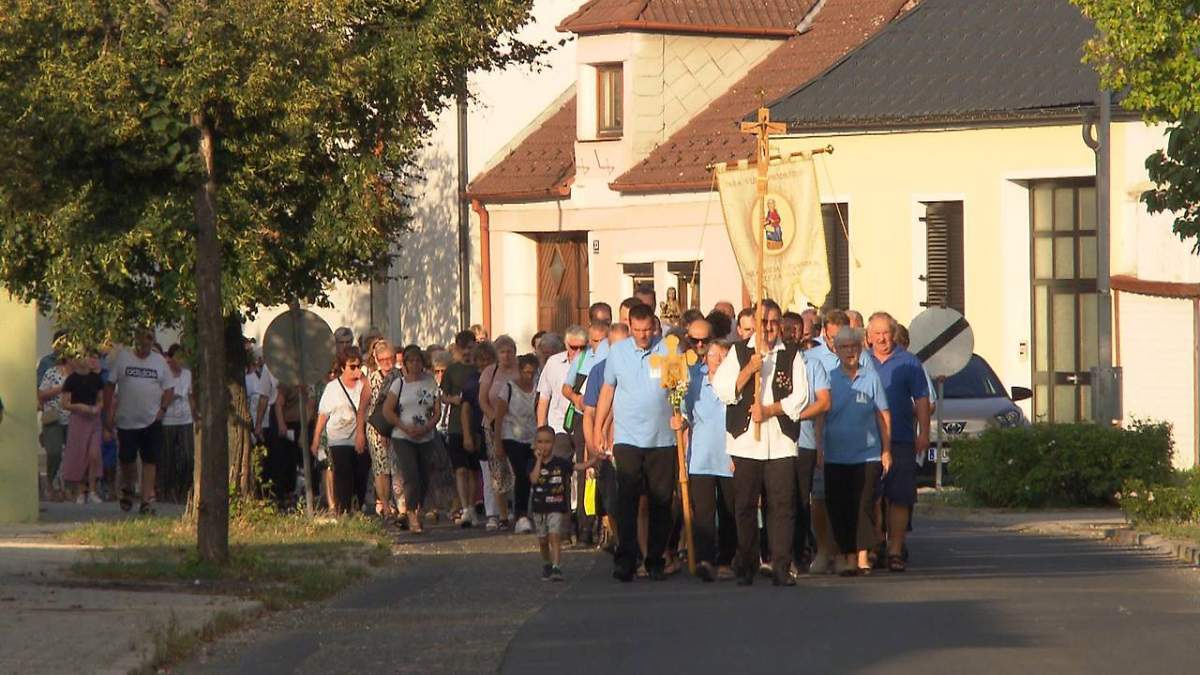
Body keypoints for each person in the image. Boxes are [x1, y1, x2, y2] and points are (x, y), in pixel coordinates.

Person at [714, 299, 810, 587]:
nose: (768, 328)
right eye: (763, 322)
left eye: (773, 322)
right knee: (744, 504)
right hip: (746, 442)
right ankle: (746, 562)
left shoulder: (791, 354)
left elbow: (801, 397)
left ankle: (780, 565)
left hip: (780, 441)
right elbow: (723, 390)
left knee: (782, 505)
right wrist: (748, 370)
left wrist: (770, 410)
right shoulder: (738, 352)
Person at [595, 304, 677, 582]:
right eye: (637, 330)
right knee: (627, 500)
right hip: (628, 437)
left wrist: (682, 419)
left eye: (647, 330)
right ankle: (626, 560)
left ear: (654, 327)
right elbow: (608, 389)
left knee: (661, 501)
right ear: (629, 327)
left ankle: (655, 559)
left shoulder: (668, 349)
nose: (643, 335)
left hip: (662, 438)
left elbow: (679, 389)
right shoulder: (618, 352)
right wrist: (600, 427)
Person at [818, 327, 891, 576]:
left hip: (867, 455)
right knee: (840, 506)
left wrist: (886, 450)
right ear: (835, 350)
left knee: (863, 505)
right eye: (844, 347)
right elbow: (821, 417)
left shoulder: (871, 378)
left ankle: (861, 556)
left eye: (854, 346)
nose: (850, 351)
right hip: (836, 455)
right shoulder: (828, 378)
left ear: (860, 349)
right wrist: (819, 448)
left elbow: (883, 416)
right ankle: (846, 556)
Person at [866, 312, 931, 572]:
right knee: (872, 497)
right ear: (869, 336)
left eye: (886, 333)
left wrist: (924, 433)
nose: (882, 338)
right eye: (877, 333)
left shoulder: (909, 362)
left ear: (893, 334)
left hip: (901, 438)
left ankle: (895, 550)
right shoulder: (861, 361)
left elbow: (922, 399)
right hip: (867, 441)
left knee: (900, 497)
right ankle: (874, 547)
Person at [678, 336, 736, 582]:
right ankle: (705, 559)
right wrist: (679, 420)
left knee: (728, 511)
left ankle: (726, 560)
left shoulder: (736, 380)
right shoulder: (695, 380)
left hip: (729, 456)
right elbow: (684, 412)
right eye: (713, 355)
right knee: (703, 512)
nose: (718, 360)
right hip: (701, 457)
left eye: (723, 356)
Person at [105, 331, 175, 514]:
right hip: (126, 419)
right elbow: (110, 386)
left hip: (151, 419)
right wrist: (108, 412)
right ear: (135, 339)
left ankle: (145, 502)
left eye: (149, 339)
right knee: (126, 458)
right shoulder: (123, 357)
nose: (144, 343)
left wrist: (163, 409)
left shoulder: (159, 361)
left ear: (152, 341)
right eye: (141, 338)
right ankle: (128, 486)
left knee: (149, 460)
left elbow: (169, 389)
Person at [582, 322, 630, 553]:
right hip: (606, 448)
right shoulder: (598, 371)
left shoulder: (637, 368)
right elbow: (589, 412)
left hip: (631, 442)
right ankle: (618, 539)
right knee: (611, 498)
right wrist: (592, 446)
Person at [383, 345, 443, 533]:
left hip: (425, 435)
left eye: (418, 361)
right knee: (411, 475)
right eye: (411, 361)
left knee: (424, 476)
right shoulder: (399, 384)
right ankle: (410, 514)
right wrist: (404, 427)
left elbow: (437, 411)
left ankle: (417, 508)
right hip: (403, 436)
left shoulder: (430, 382)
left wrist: (426, 427)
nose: (415, 364)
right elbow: (387, 410)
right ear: (405, 364)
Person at [537, 326, 589, 540]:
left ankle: (585, 527)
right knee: (559, 476)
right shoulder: (553, 363)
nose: (577, 352)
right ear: (566, 345)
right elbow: (544, 398)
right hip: (559, 425)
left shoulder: (592, 361)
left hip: (584, 423)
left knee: (585, 474)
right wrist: (541, 431)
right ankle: (563, 528)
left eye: (582, 347)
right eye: (573, 347)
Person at [530, 426, 597, 582]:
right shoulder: (532, 462)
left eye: (547, 442)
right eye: (540, 442)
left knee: (555, 535)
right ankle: (547, 563)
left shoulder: (560, 462)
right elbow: (533, 479)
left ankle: (556, 566)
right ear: (535, 443)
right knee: (543, 540)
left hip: (556, 506)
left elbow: (577, 467)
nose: (544, 446)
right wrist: (538, 460)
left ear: (553, 443)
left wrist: (593, 460)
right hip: (539, 507)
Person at [313, 346, 368, 515]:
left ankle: (357, 505)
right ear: (343, 367)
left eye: (359, 366)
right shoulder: (333, 388)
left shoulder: (363, 385)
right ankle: (343, 509)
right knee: (343, 473)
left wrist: (363, 379)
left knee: (361, 472)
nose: (356, 370)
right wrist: (316, 439)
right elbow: (323, 414)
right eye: (352, 366)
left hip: (359, 435)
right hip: (338, 437)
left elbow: (368, 405)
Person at [493, 354, 540, 533]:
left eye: (532, 373)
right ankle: (521, 515)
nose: (529, 376)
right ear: (520, 371)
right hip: (512, 436)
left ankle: (529, 511)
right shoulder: (509, 388)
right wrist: (498, 443)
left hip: (532, 437)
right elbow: (499, 417)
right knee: (521, 473)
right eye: (526, 372)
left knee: (532, 474)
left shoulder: (537, 388)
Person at [442, 330, 481, 527]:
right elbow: (443, 395)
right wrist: (453, 399)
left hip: (476, 425)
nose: (466, 352)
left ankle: (472, 506)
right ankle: (465, 508)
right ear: (457, 348)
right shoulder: (452, 370)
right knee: (460, 469)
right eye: (462, 348)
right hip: (456, 426)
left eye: (470, 348)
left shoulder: (479, 369)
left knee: (474, 470)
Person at [462, 342, 500, 529]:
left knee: (503, 473)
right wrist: (467, 435)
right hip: (481, 430)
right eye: (481, 359)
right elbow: (465, 409)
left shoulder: (501, 376)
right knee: (487, 473)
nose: (485, 363)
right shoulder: (472, 381)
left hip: (503, 428)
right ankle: (491, 512)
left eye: (489, 359)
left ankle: (505, 510)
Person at [61, 351, 105, 503]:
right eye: (79, 357)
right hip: (78, 419)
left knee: (94, 454)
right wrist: (79, 407)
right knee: (80, 455)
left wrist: (97, 408)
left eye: (86, 356)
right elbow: (65, 403)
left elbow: (101, 399)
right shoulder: (71, 379)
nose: (84, 360)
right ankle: (81, 491)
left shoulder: (96, 378)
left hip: (94, 419)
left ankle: (93, 490)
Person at [365, 339, 401, 519]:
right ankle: (385, 505)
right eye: (383, 359)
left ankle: (399, 505)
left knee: (397, 467)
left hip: (396, 426)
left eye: (390, 358)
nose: (387, 363)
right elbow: (365, 405)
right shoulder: (372, 378)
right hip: (376, 427)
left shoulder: (399, 376)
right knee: (381, 468)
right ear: (377, 360)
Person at [159, 345, 196, 503]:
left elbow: (191, 396)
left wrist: (195, 415)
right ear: (171, 358)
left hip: (185, 419)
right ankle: (168, 490)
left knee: (188, 456)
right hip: (169, 420)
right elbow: (160, 395)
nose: (181, 361)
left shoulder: (187, 374)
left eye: (182, 357)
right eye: (178, 357)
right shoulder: (164, 374)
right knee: (168, 457)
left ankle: (184, 489)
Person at [38, 353, 71, 499]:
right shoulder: (51, 372)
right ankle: (50, 483)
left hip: (74, 418)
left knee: (73, 455)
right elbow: (41, 394)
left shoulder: (79, 374)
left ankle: (68, 487)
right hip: (54, 418)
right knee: (54, 452)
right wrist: (61, 388)